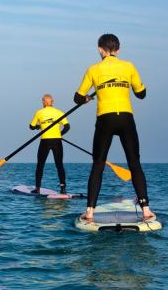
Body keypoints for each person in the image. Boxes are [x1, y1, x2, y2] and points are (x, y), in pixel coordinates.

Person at [74, 33, 156, 221]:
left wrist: (86, 98)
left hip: (105, 119)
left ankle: (89, 212)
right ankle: (146, 210)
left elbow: (78, 97)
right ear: (118, 50)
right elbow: (141, 93)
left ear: (99, 50)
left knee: (98, 165)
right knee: (134, 164)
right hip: (126, 119)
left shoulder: (93, 69)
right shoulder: (129, 66)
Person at [29, 94, 70, 194]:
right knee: (59, 164)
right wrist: (59, 135)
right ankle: (63, 188)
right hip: (57, 141)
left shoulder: (39, 112)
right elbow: (67, 127)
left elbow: (31, 126)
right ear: (52, 101)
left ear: (44, 102)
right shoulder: (59, 112)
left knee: (40, 165)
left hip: (45, 141)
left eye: (42, 101)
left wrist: (38, 126)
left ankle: (37, 188)